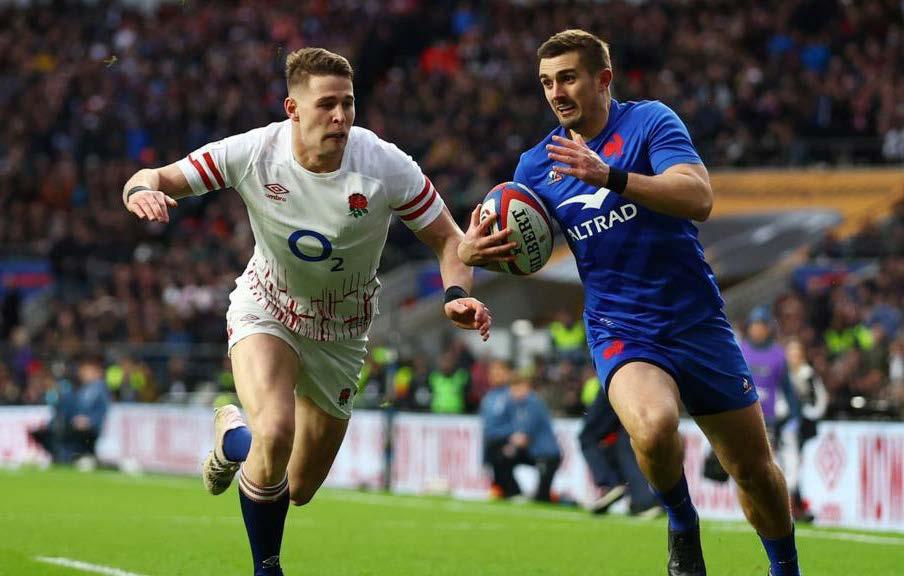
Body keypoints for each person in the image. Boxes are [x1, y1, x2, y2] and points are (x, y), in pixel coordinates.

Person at [121, 48, 491, 576]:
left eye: (348, 103)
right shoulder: (253, 152)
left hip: (342, 333)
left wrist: (455, 294)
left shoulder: (384, 165)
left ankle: (234, 437)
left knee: (297, 486)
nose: (340, 116)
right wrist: (141, 191)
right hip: (267, 308)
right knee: (275, 432)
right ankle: (267, 568)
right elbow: (154, 176)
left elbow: (449, 240)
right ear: (292, 108)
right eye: (327, 105)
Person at [458, 29, 801, 576]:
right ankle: (682, 522)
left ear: (603, 79)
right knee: (654, 425)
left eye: (568, 78)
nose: (556, 92)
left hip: (696, 322)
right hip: (621, 326)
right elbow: (509, 243)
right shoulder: (536, 166)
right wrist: (472, 257)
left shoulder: (650, 122)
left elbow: (699, 197)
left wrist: (610, 176)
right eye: (546, 82)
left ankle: (786, 569)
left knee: (754, 471)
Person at [579, 378, 660, 516]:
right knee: (626, 444)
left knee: (587, 437)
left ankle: (610, 483)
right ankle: (643, 501)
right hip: (648, 386)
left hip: (616, 380)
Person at [482, 368, 561, 502]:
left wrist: (510, 445)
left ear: (526, 387)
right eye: (512, 389)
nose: (513, 392)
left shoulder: (533, 403)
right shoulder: (517, 405)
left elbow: (523, 437)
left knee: (542, 499)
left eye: (517, 388)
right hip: (532, 452)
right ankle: (513, 492)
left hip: (547, 455)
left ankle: (540, 496)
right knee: (499, 456)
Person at [29, 354, 110, 466]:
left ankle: (68, 458)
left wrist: (90, 421)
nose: (83, 373)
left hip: (89, 429)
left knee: (64, 434)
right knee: (52, 432)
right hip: (74, 425)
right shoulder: (81, 389)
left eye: (86, 371)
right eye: (82, 370)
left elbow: (101, 411)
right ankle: (63, 457)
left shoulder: (99, 389)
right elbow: (65, 410)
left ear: (96, 372)